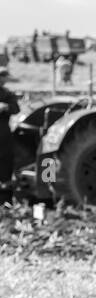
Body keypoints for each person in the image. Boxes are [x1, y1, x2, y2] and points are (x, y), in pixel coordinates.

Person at [0, 69, 21, 200]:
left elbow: (16, 109)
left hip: (3, 134)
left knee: (5, 166)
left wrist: (5, 107)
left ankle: (5, 201)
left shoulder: (7, 94)